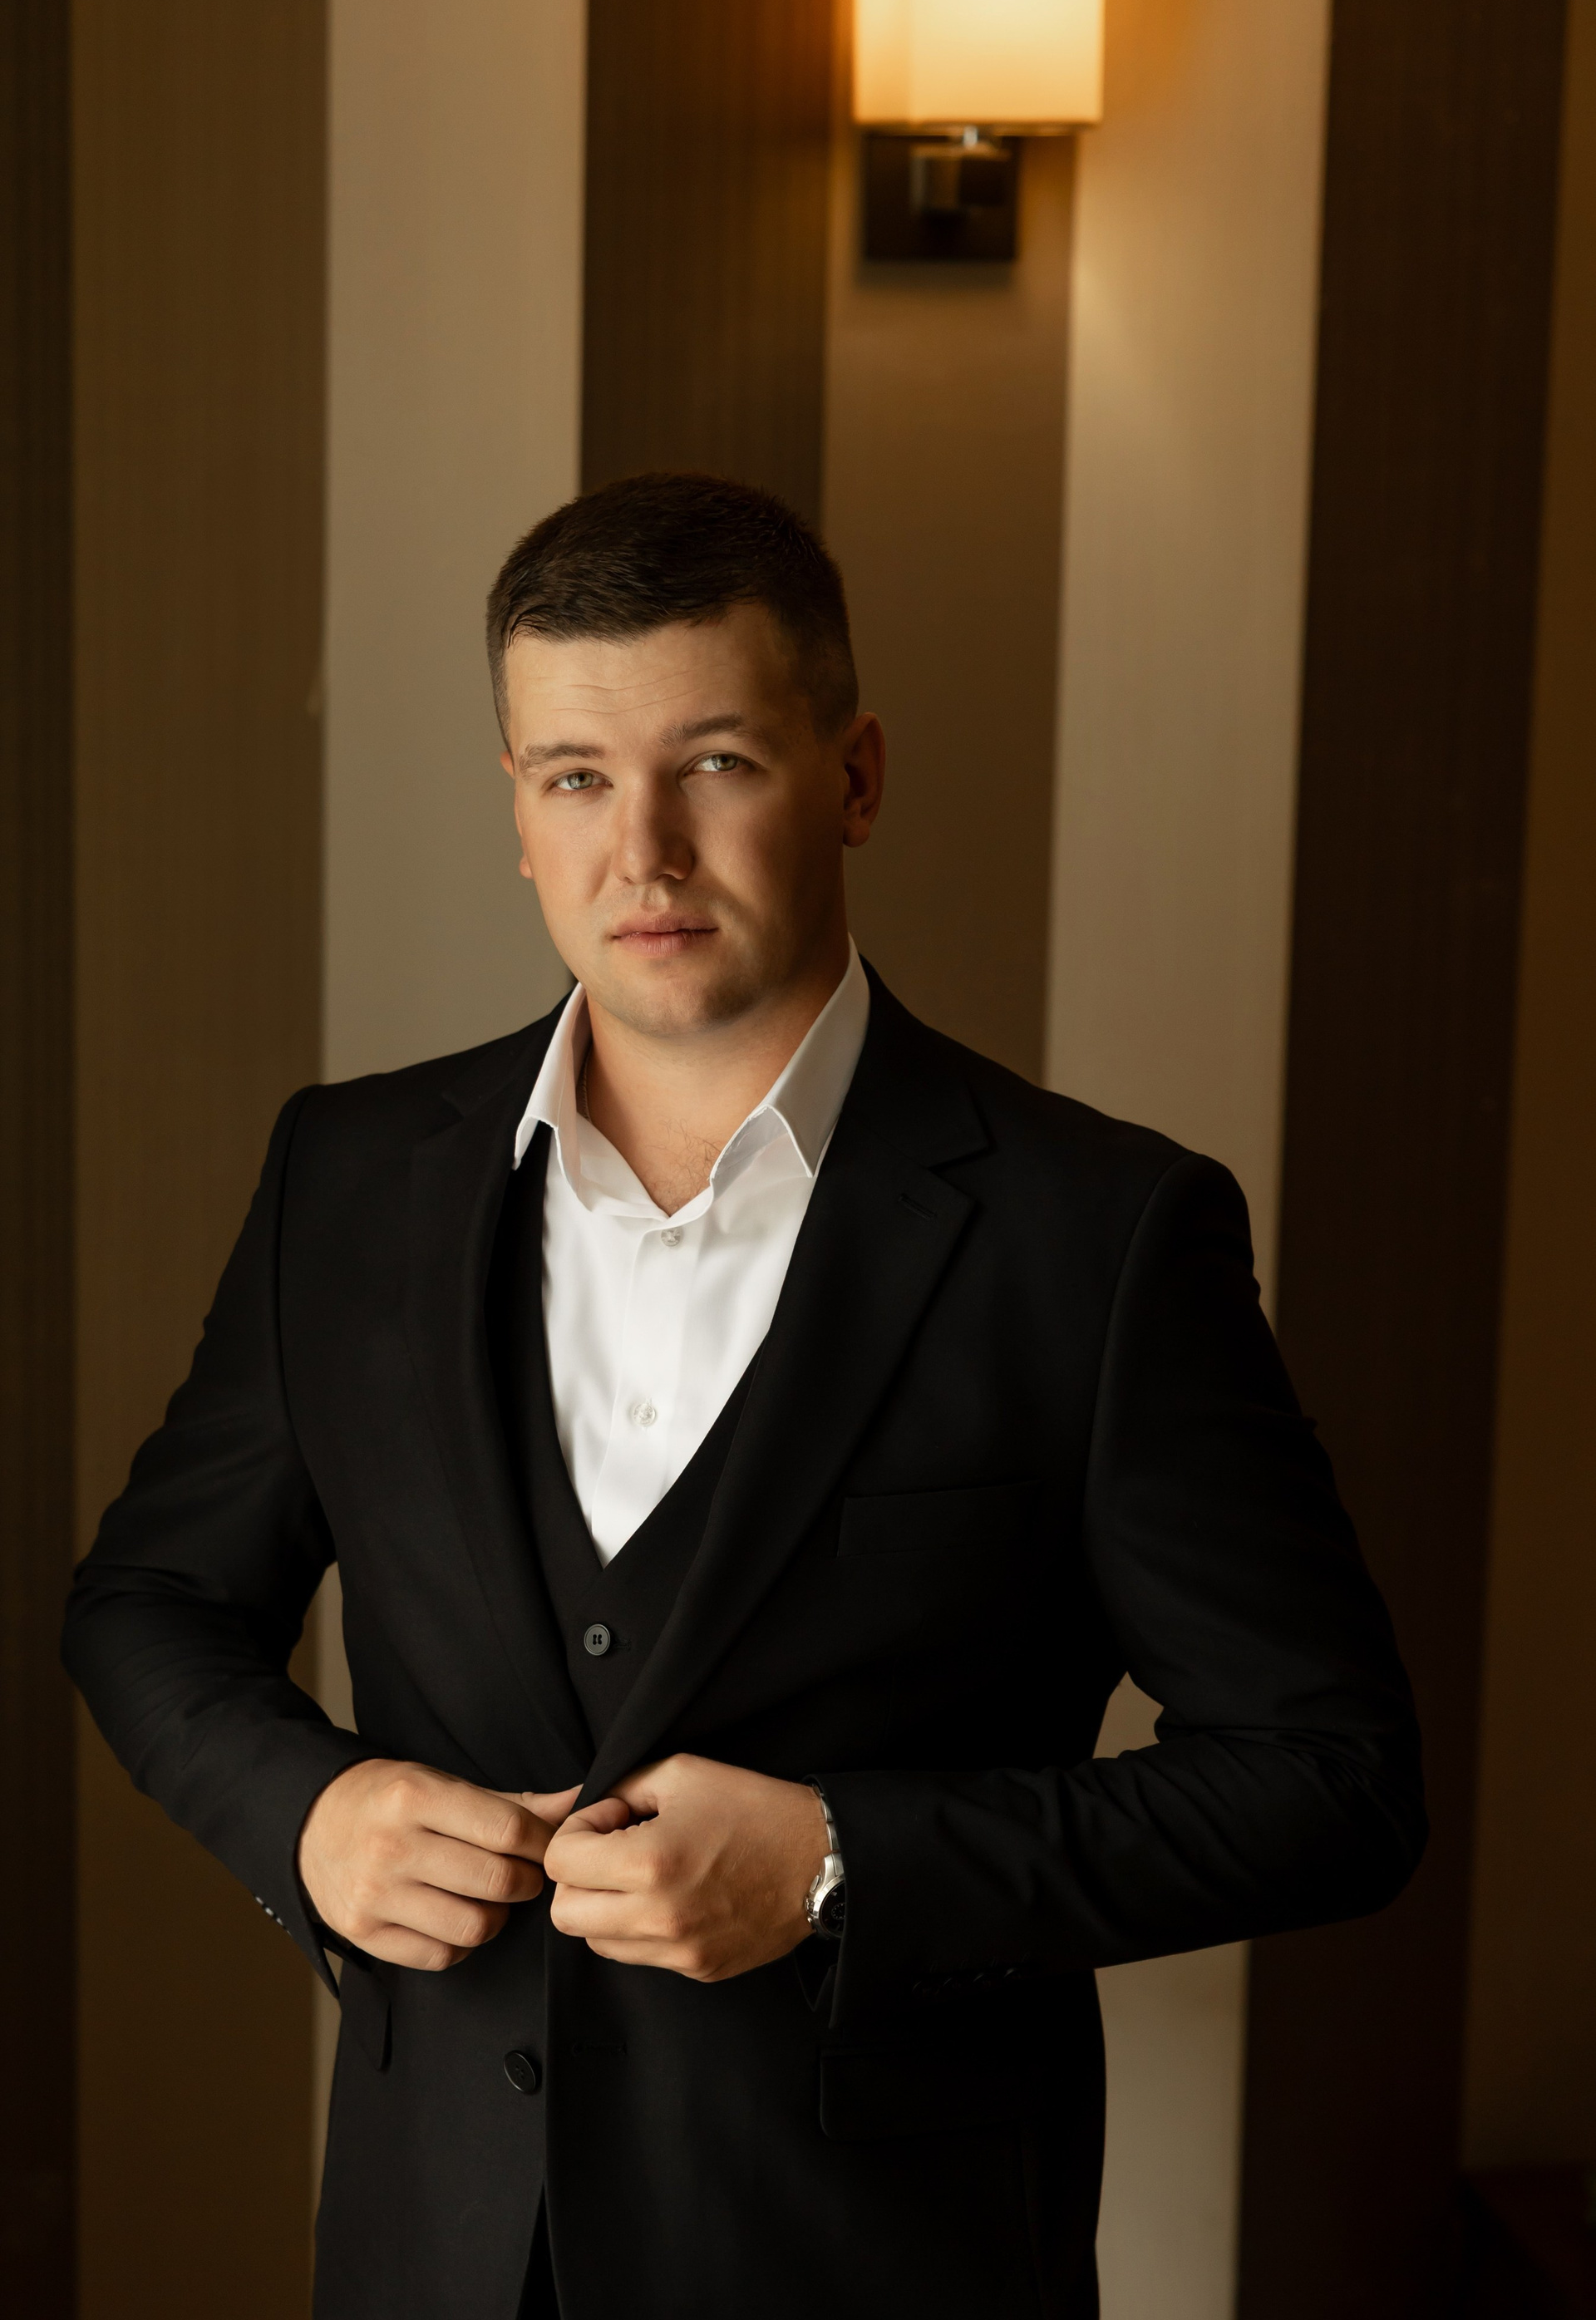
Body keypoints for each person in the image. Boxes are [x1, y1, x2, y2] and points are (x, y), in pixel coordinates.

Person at [64, 471, 1425, 2320]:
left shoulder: (1100, 1237)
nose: (644, 851)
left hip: (883, 2268)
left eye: (713, 762)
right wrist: (310, 1817)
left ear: (853, 777)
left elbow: (1334, 1780)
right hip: (430, 2252)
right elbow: (147, 1600)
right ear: (518, 810)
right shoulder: (348, 1179)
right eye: (576, 777)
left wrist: (847, 1863)